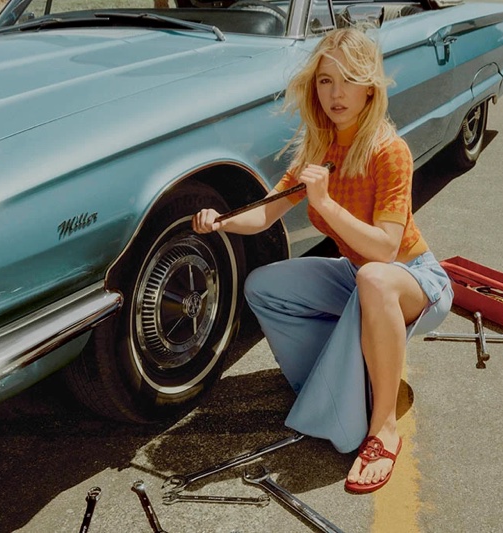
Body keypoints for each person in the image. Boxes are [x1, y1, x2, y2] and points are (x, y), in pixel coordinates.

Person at [192, 27, 453, 493]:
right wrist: (223, 220)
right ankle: (332, 386)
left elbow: (386, 250)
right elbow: (267, 212)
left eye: (348, 80)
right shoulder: (318, 147)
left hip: (414, 282)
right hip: (359, 276)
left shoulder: (390, 151)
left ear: (369, 87)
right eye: (325, 81)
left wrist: (327, 205)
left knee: (374, 277)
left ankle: (382, 428)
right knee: (263, 286)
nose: (336, 93)